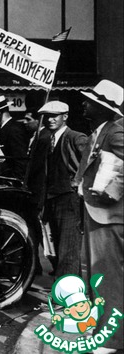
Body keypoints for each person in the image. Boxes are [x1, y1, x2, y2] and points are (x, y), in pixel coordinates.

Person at [74, 79, 123, 353]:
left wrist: (110, 192)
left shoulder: (115, 132)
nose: (84, 104)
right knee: (97, 275)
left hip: (108, 216)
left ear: (103, 108)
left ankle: (110, 339)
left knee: (107, 275)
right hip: (96, 212)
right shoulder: (102, 131)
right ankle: (104, 329)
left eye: (89, 101)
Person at [26, 101, 87, 278]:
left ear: (65, 117)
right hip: (52, 197)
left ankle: (66, 291)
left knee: (68, 248)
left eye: (55, 116)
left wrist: (77, 183)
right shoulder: (47, 140)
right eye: (47, 116)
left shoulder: (76, 137)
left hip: (69, 198)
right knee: (61, 247)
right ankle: (73, 288)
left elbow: (90, 164)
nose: (50, 120)